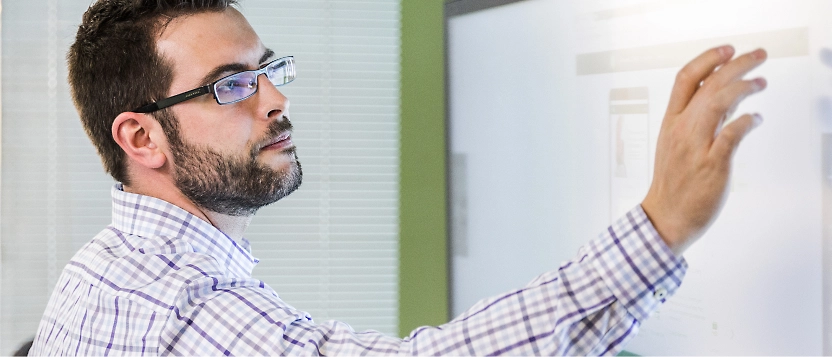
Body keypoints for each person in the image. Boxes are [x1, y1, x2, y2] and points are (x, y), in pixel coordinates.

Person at [29, 0, 768, 355]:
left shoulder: (100, 269)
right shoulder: (191, 316)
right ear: (140, 136)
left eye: (268, 71)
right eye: (231, 86)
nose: (277, 99)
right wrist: (663, 224)